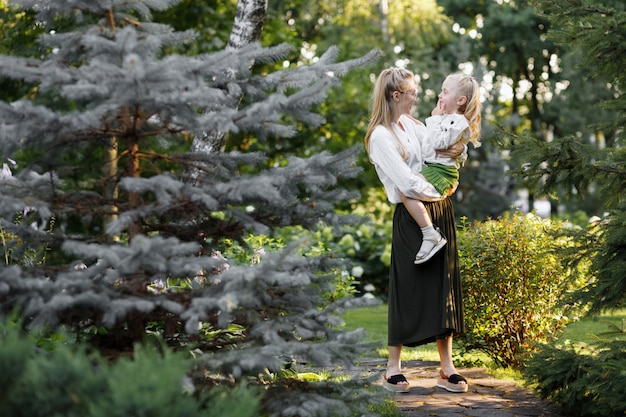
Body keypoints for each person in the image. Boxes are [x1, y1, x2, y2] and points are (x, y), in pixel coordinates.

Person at [364, 67, 469, 394]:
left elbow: (440, 149)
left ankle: (446, 367)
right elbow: (406, 183)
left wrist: (459, 151)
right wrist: (440, 190)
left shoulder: (413, 124)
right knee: (407, 288)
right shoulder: (381, 136)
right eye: (411, 92)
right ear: (396, 96)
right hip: (412, 217)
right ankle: (392, 367)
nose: (417, 96)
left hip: (440, 210)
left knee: (443, 288)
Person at [402, 74, 482, 265]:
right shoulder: (448, 119)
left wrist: (434, 118)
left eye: (445, 92)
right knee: (404, 187)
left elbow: (439, 143)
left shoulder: (457, 121)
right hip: (434, 169)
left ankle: (430, 234)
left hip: (441, 172)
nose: (439, 95)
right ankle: (429, 233)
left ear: (460, 100)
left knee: (405, 189)